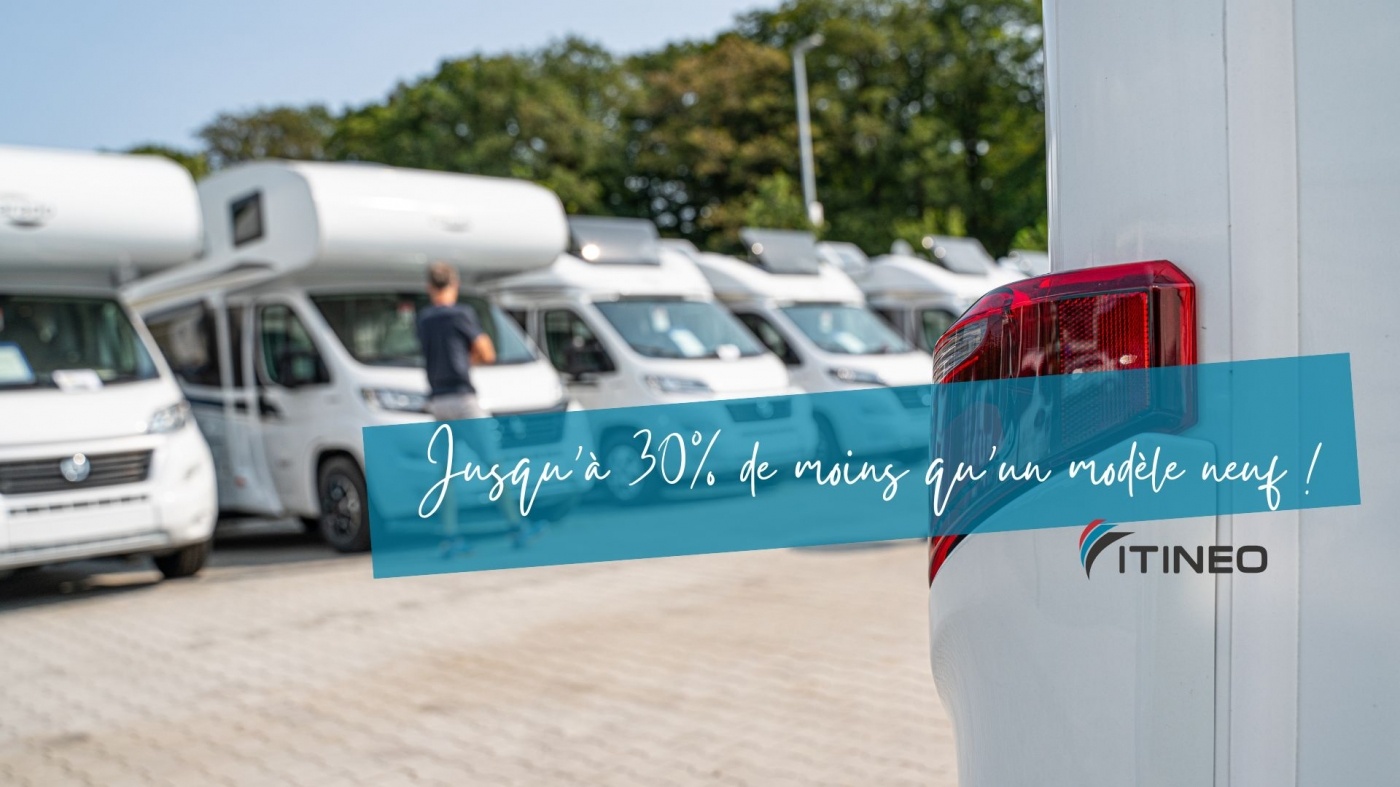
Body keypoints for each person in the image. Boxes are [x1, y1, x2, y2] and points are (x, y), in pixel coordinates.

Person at [418, 261, 496, 420]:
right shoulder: (462, 314)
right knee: (489, 437)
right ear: (455, 284)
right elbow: (488, 354)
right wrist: (470, 360)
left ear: (429, 287)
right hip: (461, 395)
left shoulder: (424, 318)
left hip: (437, 399)